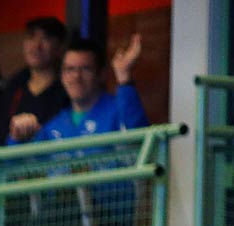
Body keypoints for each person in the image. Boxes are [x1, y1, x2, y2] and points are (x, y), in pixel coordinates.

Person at [9, 34, 146, 146]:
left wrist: (124, 77)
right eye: (70, 69)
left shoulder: (120, 111)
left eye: (85, 69)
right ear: (62, 76)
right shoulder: (53, 126)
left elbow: (138, 141)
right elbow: (17, 169)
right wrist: (17, 137)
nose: (76, 77)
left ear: (102, 74)